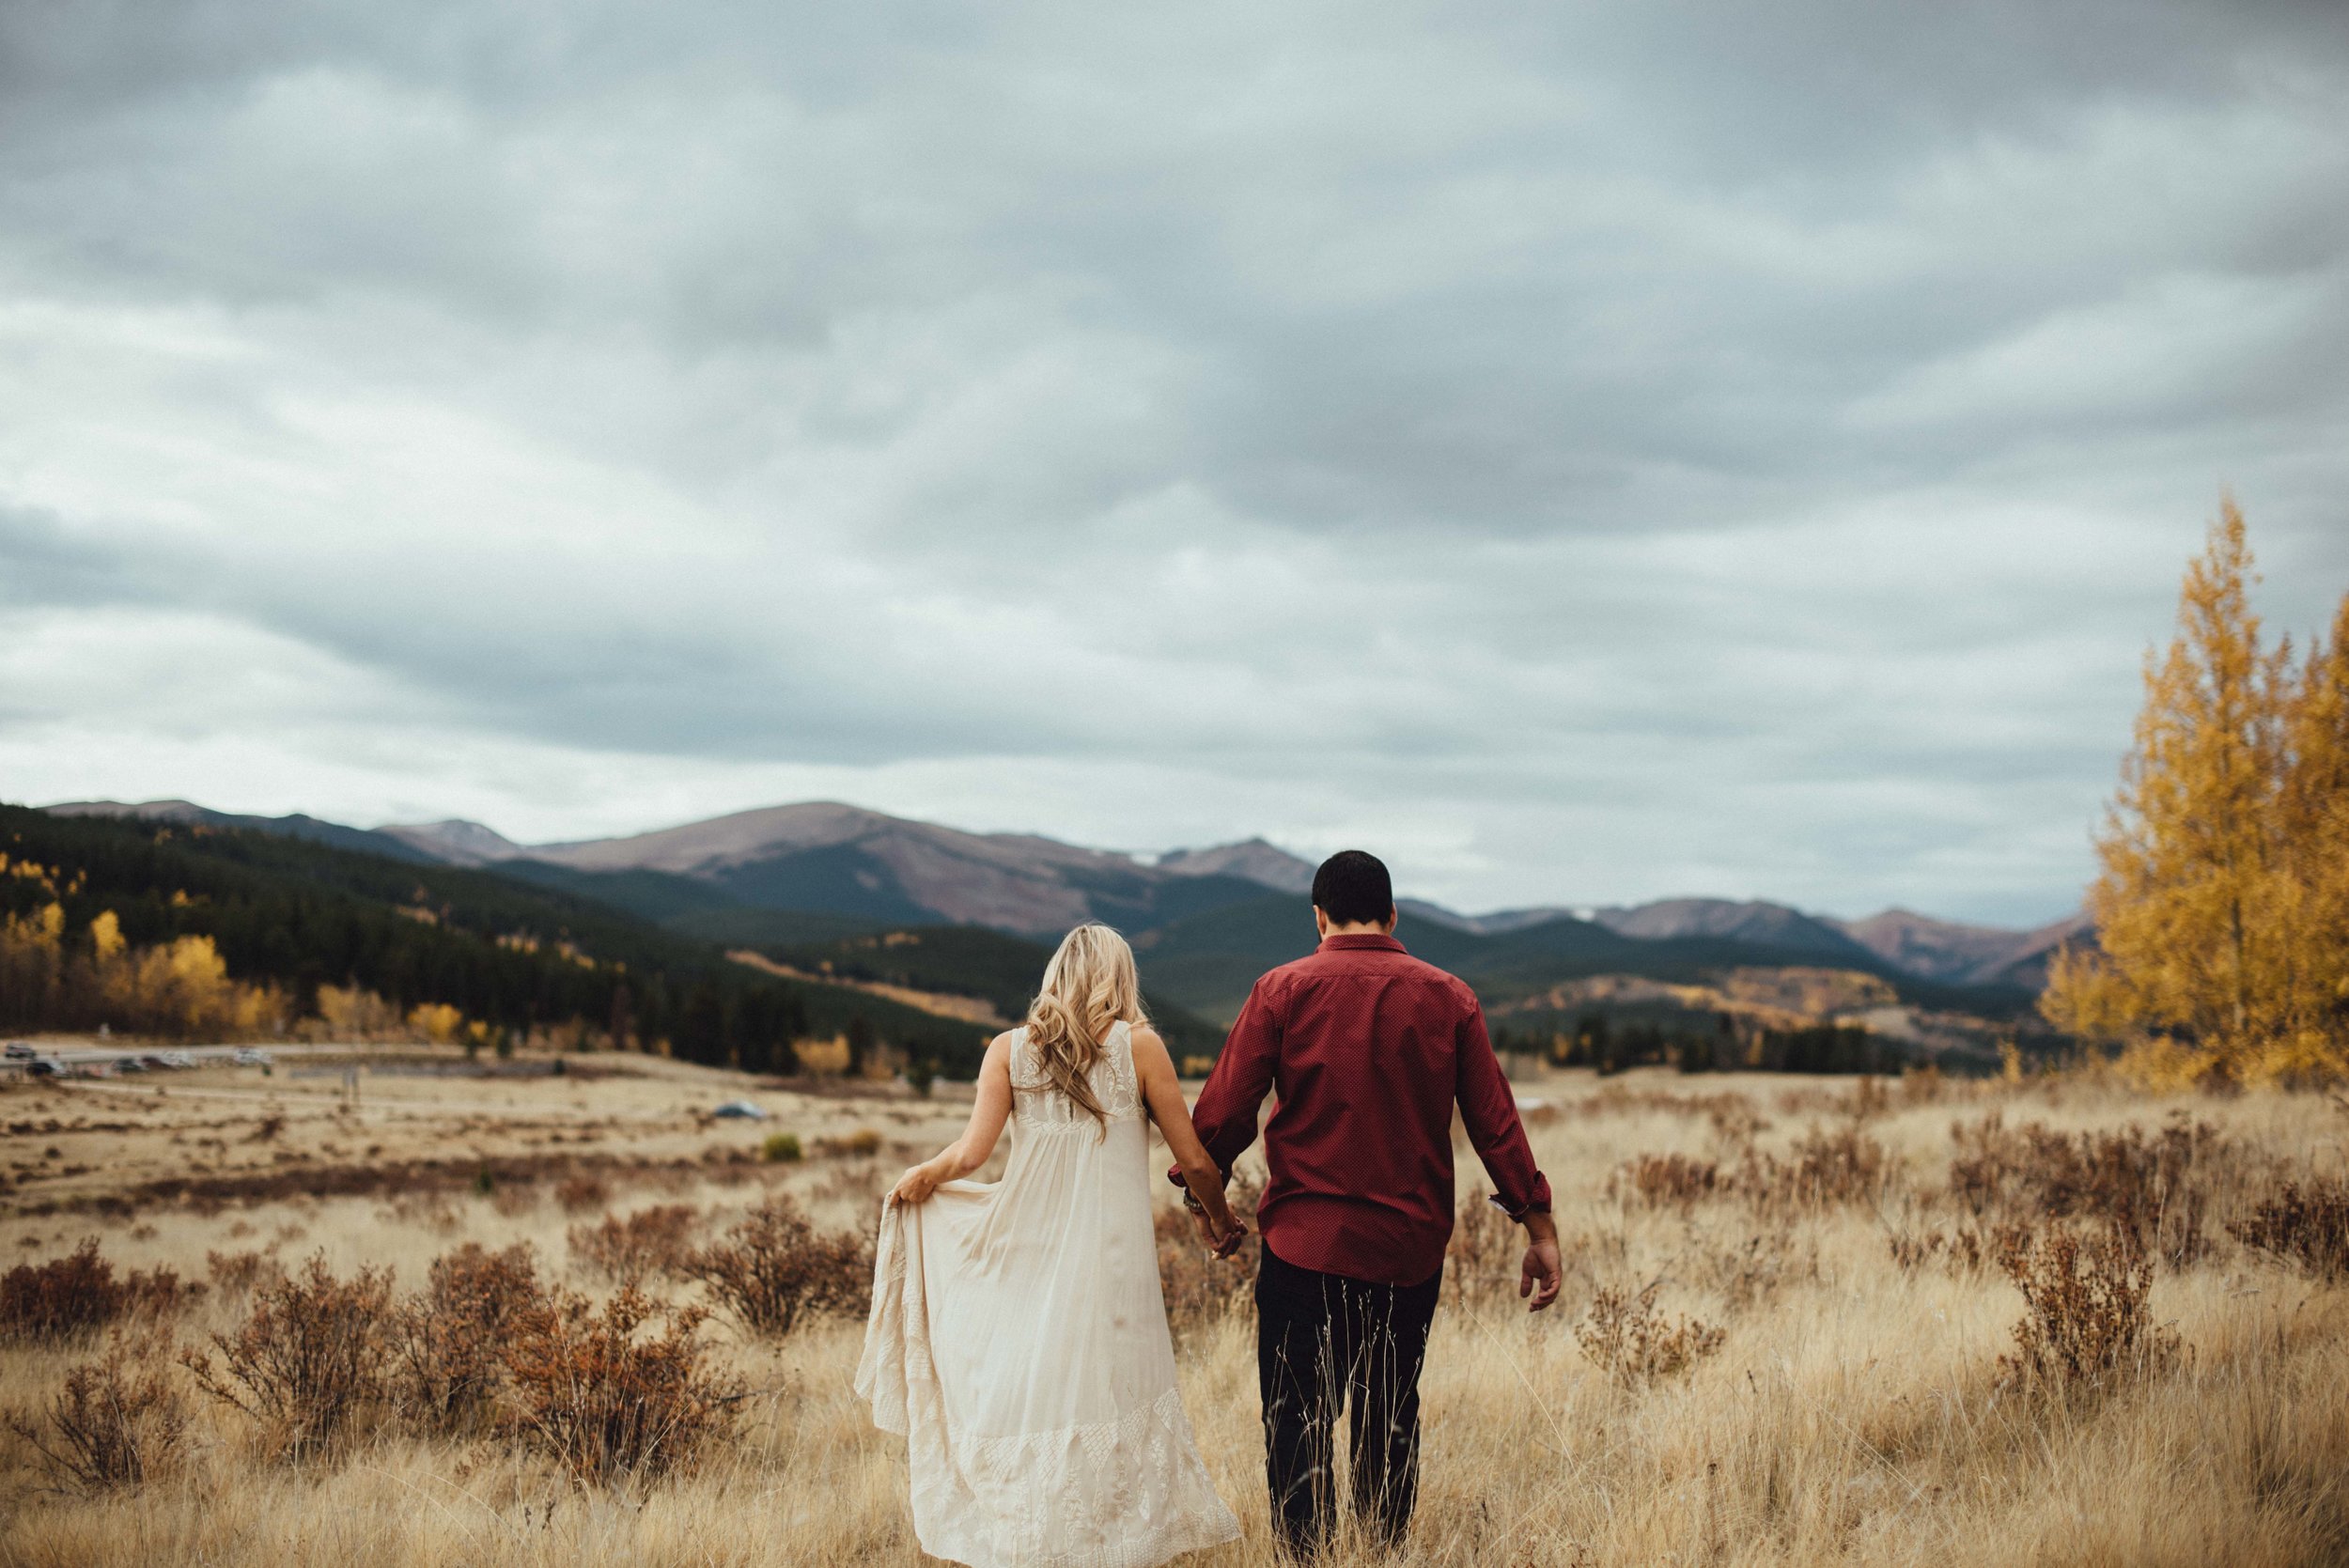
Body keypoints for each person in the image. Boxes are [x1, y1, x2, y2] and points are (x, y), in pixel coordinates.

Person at [1174, 849, 1562, 1559]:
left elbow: (1226, 1109)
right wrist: (1537, 1223)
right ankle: (1381, 1554)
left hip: (1302, 1246)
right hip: (1406, 1252)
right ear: (1392, 913)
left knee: (1296, 1420)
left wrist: (1206, 1196)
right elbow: (1494, 1123)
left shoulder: (1280, 989)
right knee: (1391, 1415)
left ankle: (1308, 1557)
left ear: (1317, 916)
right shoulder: (1450, 996)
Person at [857, 923, 1247, 1568]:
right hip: (1114, 1266)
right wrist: (1220, 1219)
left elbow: (971, 1154)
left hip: (1030, 1254)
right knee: (1110, 1393)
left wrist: (924, 1174)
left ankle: (1039, 1539)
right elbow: (1198, 1163)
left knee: (1044, 1390)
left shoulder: (1008, 1050)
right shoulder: (1140, 1047)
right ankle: (1112, 1544)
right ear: (1120, 978)